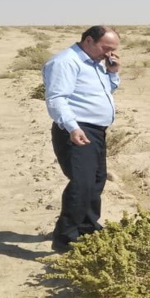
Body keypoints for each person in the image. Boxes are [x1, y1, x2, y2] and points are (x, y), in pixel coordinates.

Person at [42, 26, 122, 252]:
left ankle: (88, 229)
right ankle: (66, 239)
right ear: (88, 40)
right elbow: (56, 99)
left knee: (96, 181)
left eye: (113, 51)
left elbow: (104, 91)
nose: (109, 54)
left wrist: (113, 72)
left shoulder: (96, 62)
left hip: (96, 131)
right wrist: (72, 127)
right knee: (82, 184)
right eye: (106, 48)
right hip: (77, 129)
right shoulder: (65, 62)